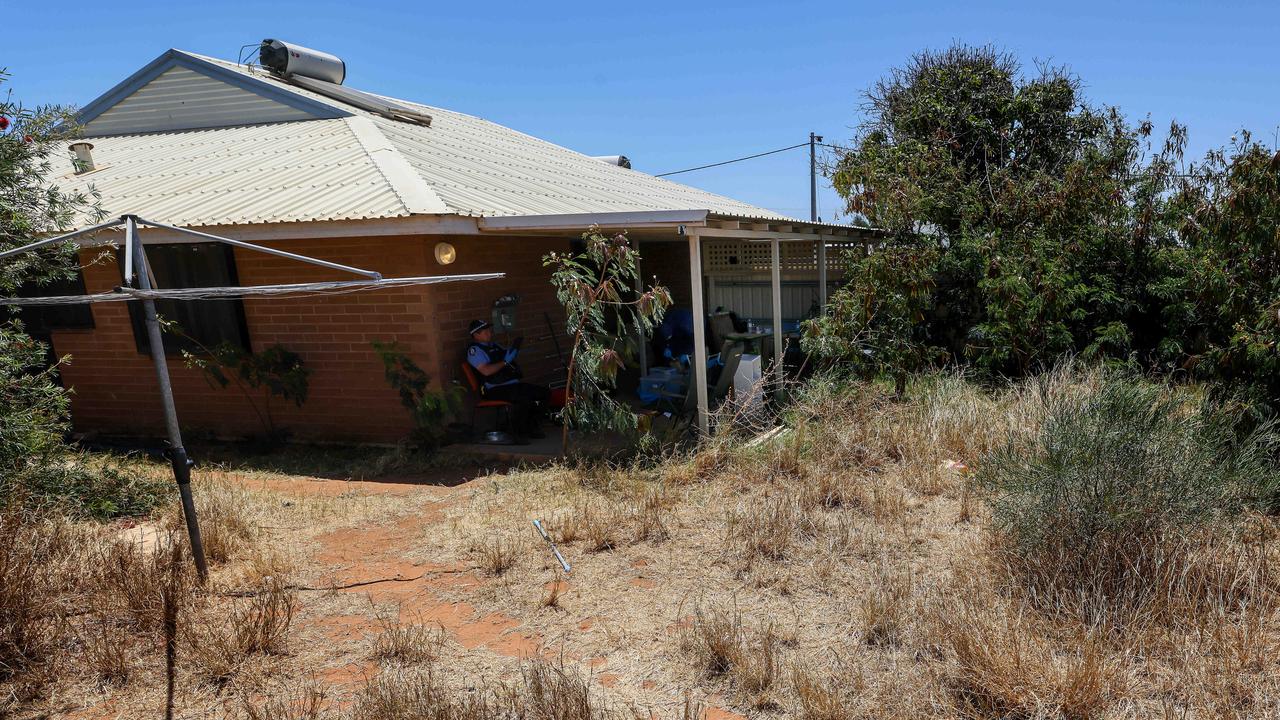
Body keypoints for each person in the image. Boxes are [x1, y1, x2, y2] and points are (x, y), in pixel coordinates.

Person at [466, 319, 550, 440]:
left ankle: (531, 427)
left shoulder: (494, 345)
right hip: (493, 389)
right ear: (475, 335)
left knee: (544, 393)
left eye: (489, 330)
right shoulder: (474, 351)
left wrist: (513, 351)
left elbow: (506, 354)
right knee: (523, 398)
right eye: (485, 332)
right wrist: (505, 362)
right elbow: (486, 370)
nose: (489, 333)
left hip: (511, 385)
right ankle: (518, 432)